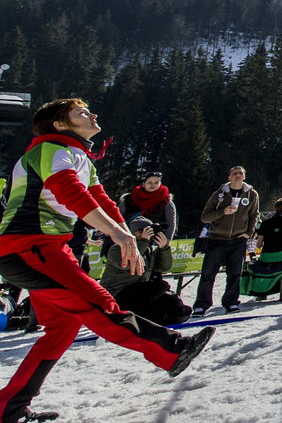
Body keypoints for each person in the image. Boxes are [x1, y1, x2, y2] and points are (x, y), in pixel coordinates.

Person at [0, 99, 214, 422]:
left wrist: (124, 234)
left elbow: (103, 201)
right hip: (27, 247)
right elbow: (72, 194)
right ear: (59, 124)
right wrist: (119, 235)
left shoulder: (79, 157)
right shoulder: (51, 150)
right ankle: (171, 350)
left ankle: (9, 406)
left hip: (49, 248)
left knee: (63, 326)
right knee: (99, 304)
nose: (93, 114)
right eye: (81, 113)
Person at [101, 216, 191, 326]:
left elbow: (164, 267)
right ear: (133, 233)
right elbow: (128, 264)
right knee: (161, 286)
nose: (148, 234)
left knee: (171, 301)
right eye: (142, 231)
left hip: (139, 296)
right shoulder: (118, 248)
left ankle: (167, 318)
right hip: (117, 295)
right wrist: (143, 241)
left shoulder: (150, 250)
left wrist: (164, 248)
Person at [193, 166, 260, 316]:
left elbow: (254, 215)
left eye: (241, 173)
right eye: (235, 173)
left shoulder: (251, 194)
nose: (238, 175)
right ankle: (202, 304)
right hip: (216, 238)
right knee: (208, 273)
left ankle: (231, 302)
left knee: (235, 273)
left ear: (244, 176)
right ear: (229, 176)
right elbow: (205, 216)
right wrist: (222, 212)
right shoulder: (219, 194)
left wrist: (248, 233)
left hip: (238, 239)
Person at [118, 171, 178, 242]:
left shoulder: (166, 201)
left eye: (156, 183)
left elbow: (171, 223)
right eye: (149, 182)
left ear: (160, 184)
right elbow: (117, 216)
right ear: (144, 184)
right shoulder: (130, 199)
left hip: (154, 240)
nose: (153, 185)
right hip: (128, 237)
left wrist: (167, 240)